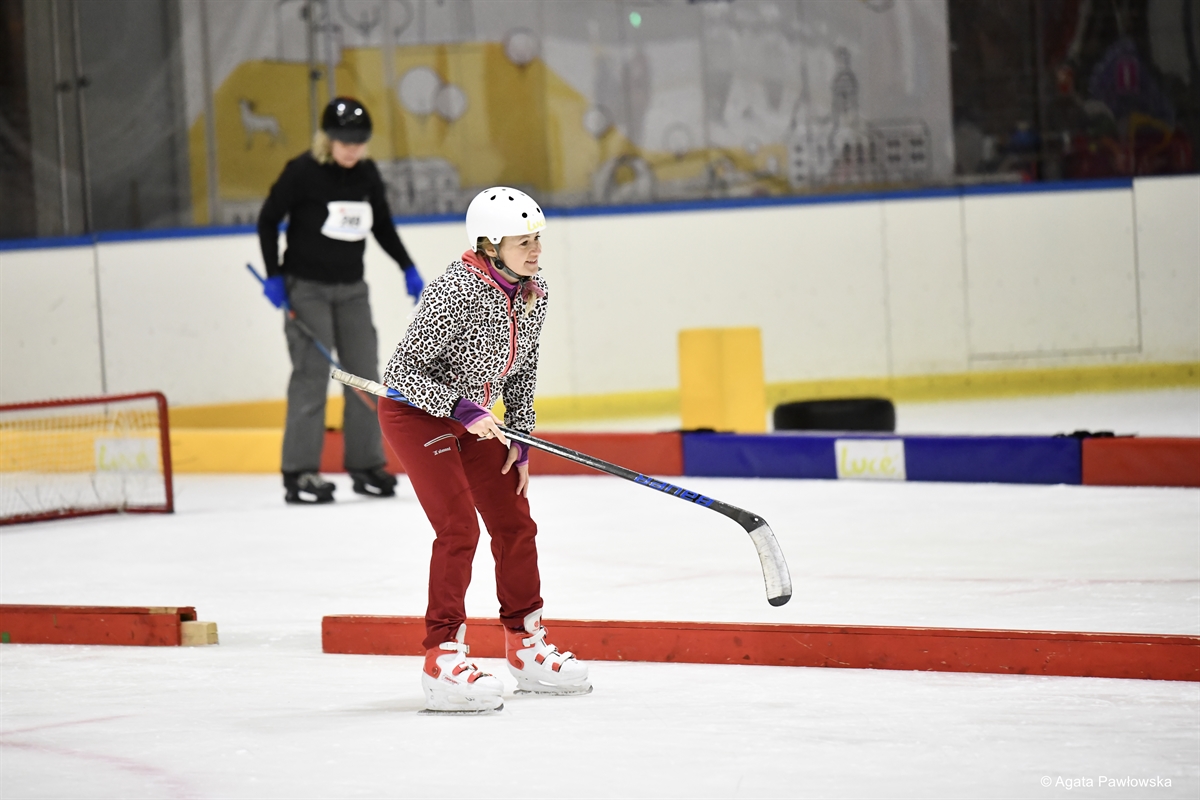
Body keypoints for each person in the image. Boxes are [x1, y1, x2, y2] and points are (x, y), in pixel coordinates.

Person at [379, 187, 590, 714]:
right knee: (458, 529)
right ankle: (442, 657)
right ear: (490, 245)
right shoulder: (456, 289)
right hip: (417, 412)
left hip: (474, 417)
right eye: (523, 242)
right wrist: (464, 410)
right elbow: (403, 373)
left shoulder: (534, 292)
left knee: (514, 520)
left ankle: (526, 645)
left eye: (537, 239)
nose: (536, 250)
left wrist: (520, 438)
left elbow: (522, 370)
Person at [257, 97, 424, 505]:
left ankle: (367, 464)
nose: (352, 150)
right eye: (345, 142)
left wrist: (407, 265)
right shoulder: (302, 172)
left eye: (359, 142)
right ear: (327, 139)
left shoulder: (366, 174)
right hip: (307, 288)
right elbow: (268, 219)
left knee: (364, 373)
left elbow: (382, 225)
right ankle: (300, 471)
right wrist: (274, 275)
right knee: (312, 375)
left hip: (352, 290)